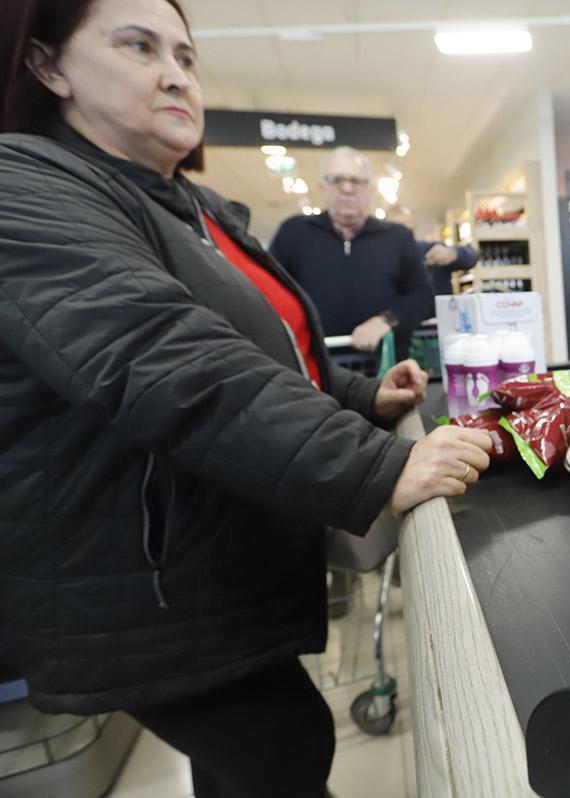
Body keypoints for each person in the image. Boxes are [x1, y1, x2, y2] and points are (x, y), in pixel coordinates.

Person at [0, 2, 491, 796]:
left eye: (186, 57)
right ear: (47, 65)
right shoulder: (24, 184)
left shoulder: (192, 210)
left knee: (243, 771)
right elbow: (162, 355)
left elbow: (273, 352)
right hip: (140, 579)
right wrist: (374, 463)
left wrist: (364, 396)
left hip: (215, 561)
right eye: (138, 46)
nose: (174, 74)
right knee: (286, 745)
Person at [270, 147, 435, 356]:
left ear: (370, 190)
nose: (347, 188)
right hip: (314, 368)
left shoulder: (398, 237)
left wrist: (388, 319)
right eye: (336, 180)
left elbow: (423, 296)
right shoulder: (293, 233)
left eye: (357, 181)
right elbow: (268, 294)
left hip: (385, 371)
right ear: (322, 186)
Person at [389, 204, 479, 296]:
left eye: (408, 230)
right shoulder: (383, 261)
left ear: (415, 226)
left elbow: (472, 257)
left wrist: (453, 254)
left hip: (439, 309)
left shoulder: (430, 250)